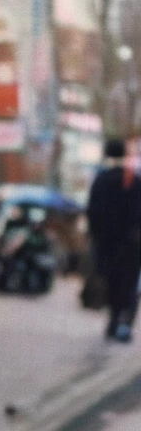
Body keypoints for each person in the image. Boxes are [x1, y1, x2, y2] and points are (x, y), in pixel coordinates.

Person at [87, 138, 141, 343]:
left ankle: (113, 320)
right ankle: (122, 323)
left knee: (110, 281)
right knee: (127, 285)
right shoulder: (133, 180)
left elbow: (93, 212)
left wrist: (96, 236)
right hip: (130, 245)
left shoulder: (101, 179)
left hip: (106, 244)